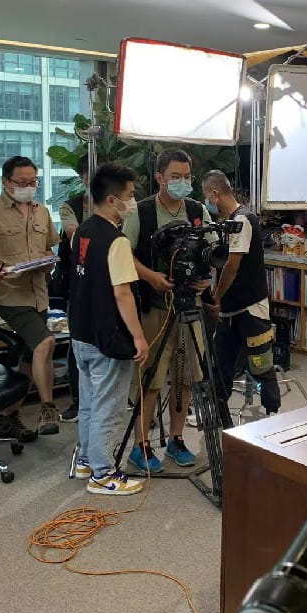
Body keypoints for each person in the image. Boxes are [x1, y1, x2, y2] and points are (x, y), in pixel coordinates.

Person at [122, 149, 213, 474]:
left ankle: (176, 438)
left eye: (187, 177)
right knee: (152, 378)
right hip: (156, 306)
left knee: (187, 376)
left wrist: (206, 277)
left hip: (191, 306)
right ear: (160, 177)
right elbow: (124, 254)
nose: (182, 182)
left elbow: (212, 248)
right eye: (175, 177)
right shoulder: (142, 212)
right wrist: (151, 277)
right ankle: (141, 444)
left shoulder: (197, 210)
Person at [0, 156, 61, 441]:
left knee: (31, 359)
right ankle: (48, 409)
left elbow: (48, 250)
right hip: (9, 294)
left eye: (33, 182)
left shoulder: (42, 212)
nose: (29, 187)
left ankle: (7, 419)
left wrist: (48, 261)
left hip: (38, 294)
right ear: (6, 182)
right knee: (45, 342)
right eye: (22, 182)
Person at [69, 163, 148, 495]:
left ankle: (86, 459)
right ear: (113, 200)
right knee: (109, 406)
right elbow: (122, 293)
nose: (133, 201)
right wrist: (139, 336)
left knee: (89, 402)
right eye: (130, 195)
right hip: (107, 336)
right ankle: (102, 474)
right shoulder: (116, 241)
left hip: (81, 332)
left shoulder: (82, 231)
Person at [202, 170, 281, 417]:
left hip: (250, 307)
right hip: (230, 310)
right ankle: (220, 417)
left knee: (261, 366)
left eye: (206, 196)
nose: (207, 202)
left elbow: (232, 265)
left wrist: (215, 297)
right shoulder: (228, 223)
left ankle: (272, 415)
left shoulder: (243, 220)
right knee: (221, 365)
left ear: (214, 194)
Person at [51, 190, 87, 424]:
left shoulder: (122, 204)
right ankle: (77, 401)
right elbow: (76, 237)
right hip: (76, 281)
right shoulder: (70, 206)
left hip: (110, 282)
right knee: (78, 342)